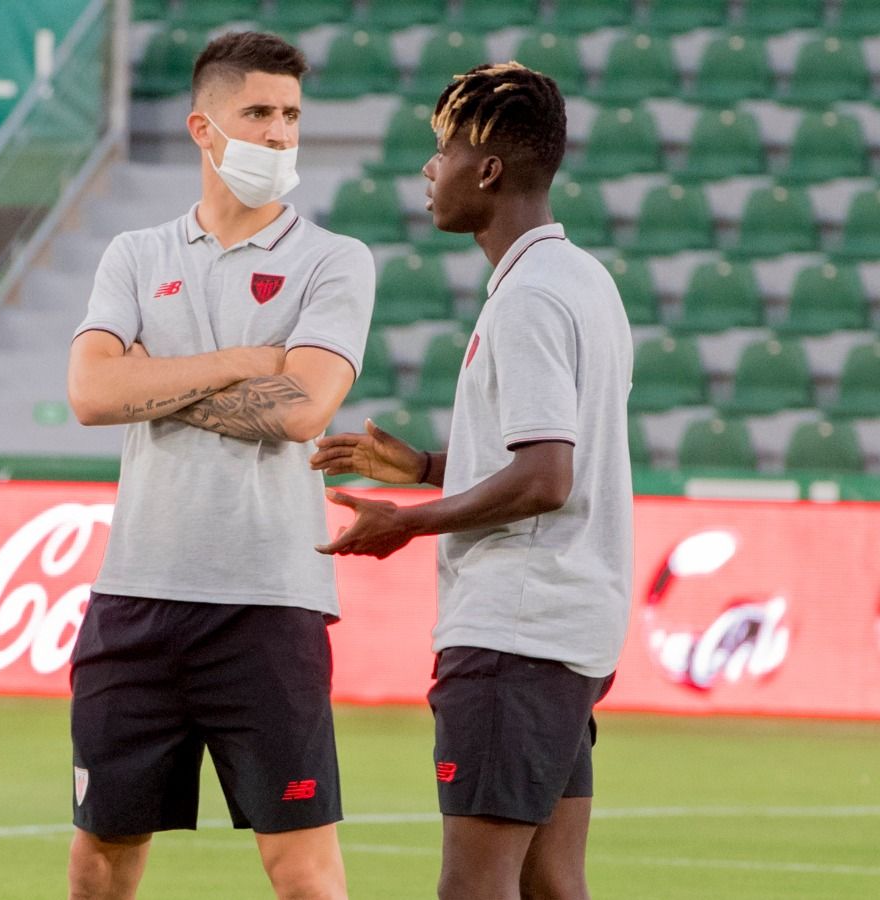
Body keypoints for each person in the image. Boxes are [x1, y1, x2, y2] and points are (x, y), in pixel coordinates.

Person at [312, 62, 633, 900]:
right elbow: (553, 454)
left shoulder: (527, 299)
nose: (429, 170)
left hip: (513, 638)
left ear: (488, 168)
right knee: (554, 885)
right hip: (569, 632)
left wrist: (406, 521)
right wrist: (421, 468)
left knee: (475, 889)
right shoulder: (586, 282)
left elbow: (546, 477)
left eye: (444, 150)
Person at [65, 31, 374, 900]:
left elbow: (303, 410)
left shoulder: (334, 260)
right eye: (259, 114)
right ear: (205, 128)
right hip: (136, 595)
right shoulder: (136, 254)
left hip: (270, 601)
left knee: (301, 865)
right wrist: (245, 360)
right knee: (101, 855)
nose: (280, 135)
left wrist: (148, 381)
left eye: (291, 117)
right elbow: (90, 393)